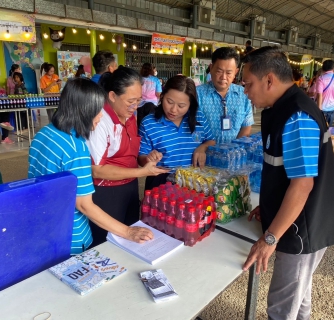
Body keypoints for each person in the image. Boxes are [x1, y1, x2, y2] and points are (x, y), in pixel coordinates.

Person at [241, 46, 334, 320]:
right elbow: (285, 172)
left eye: (248, 84)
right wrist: (269, 207)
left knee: (281, 307)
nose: (245, 91)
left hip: (303, 226)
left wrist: (270, 237)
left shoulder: (297, 116)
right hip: (295, 219)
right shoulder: (282, 108)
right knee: (299, 297)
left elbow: (302, 185)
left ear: (269, 80)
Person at [28, 78, 153, 255]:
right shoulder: (75, 147)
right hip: (70, 235)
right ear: (82, 111)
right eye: (97, 111)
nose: (101, 116)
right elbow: (84, 205)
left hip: (44, 225)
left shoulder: (44, 133)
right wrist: (127, 231)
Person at [86, 67, 168, 248]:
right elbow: (97, 170)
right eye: (131, 101)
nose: (136, 106)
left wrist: (147, 160)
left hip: (129, 188)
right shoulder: (101, 121)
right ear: (113, 96)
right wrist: (140, 172)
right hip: (107, 193)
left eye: (139, 100)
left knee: (131, 241)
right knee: (106, 245)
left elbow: (132, 156)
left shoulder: (129, 115)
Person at [138, 75, 216, 190]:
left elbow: (211, 140)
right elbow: (140, 158)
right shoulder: (149, 123)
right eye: (169, 102)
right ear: (162, 96)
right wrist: (148, 158)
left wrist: (203, 147)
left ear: (190, 105)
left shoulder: (199, 117)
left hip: (193, 181)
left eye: (181, 106)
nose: (173, 110)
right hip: (161, 182)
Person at [196, 47, 254, 143]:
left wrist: (233, 150)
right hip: (205, 154)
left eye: (228, 73)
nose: (223, 77)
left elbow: (246, 126)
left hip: (233, 154)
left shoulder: (243, 95)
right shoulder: (197, 94)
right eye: (219, 71)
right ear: (211, 68)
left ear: (235, 72)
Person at [315, 60, 334, 126]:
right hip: (332, 108)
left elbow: (319, 95)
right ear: (333, 68)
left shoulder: (320, 79)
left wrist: (319, 109)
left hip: (321, 109)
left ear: (322, 68)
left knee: (320, 128)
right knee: (328, 128)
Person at [137, 63, 162, 127]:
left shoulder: (138, 79)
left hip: (140, 104)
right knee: (150, 124)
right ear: (151, 70)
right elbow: (158, 94)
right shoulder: (156, 80)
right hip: (152, 104)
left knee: (140, 123)